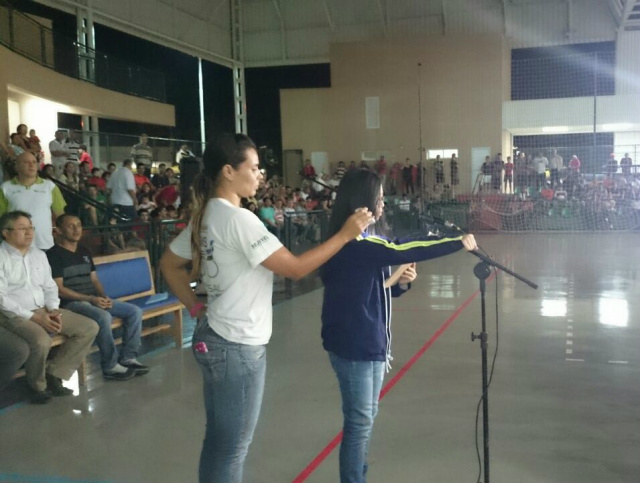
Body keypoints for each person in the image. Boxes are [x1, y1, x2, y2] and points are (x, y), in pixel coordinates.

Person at [159, 133, 373, 483]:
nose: (260, 175)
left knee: (218, 443)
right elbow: (296, 268)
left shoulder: (206, 216)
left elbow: (169, 264)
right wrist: (345, 235)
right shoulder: (239, 220)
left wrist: (196, 308)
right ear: (229, 171)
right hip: (237, 345)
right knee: (232, 450)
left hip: (213, 336)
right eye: (254, 168)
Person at [320, 168, 477, 483]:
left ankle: (357, 474)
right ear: (362, 204)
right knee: (360, 422)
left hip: (371, 341)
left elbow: (370, 292)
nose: (382, 207)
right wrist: (454, 241)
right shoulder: (353, 245)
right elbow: (404, 247)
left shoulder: (364, 241)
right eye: (378, 200)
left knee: (365, 419)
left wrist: (399, 284)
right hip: (355, 345)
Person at [0, 211, 98, 404]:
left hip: (44, 309)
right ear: (6, 232)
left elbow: (49, 286)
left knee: (89, 327)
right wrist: (35, 317)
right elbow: (2, 298)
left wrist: (53, 309)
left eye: (31, 228)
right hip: (13, 313)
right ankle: (37, 386)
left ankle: (55, 374)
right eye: (22, 229)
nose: (29, 233)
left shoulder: (38, 255)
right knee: (41, 341)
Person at [47, 214, 149, 381]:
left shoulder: (84, 252)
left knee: (135, 311)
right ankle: (110, 366)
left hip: (93, 299)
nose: (76, 229)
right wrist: (91, 299)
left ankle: (128, 358)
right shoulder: (53, 255)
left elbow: (94, 279)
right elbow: (59, 289)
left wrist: (104, 296)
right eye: (70, 226)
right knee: (103, 316)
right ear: (58, 231)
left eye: (79, 225)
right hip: (72, 304)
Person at [0, 152, 66, 250]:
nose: (31, 165)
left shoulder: (50, 186)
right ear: (16, 167)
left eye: (34, 162)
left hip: (44, 245)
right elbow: (2, 218)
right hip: (16, 246)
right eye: (26, 162)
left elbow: (60, 215)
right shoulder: (5, 188)